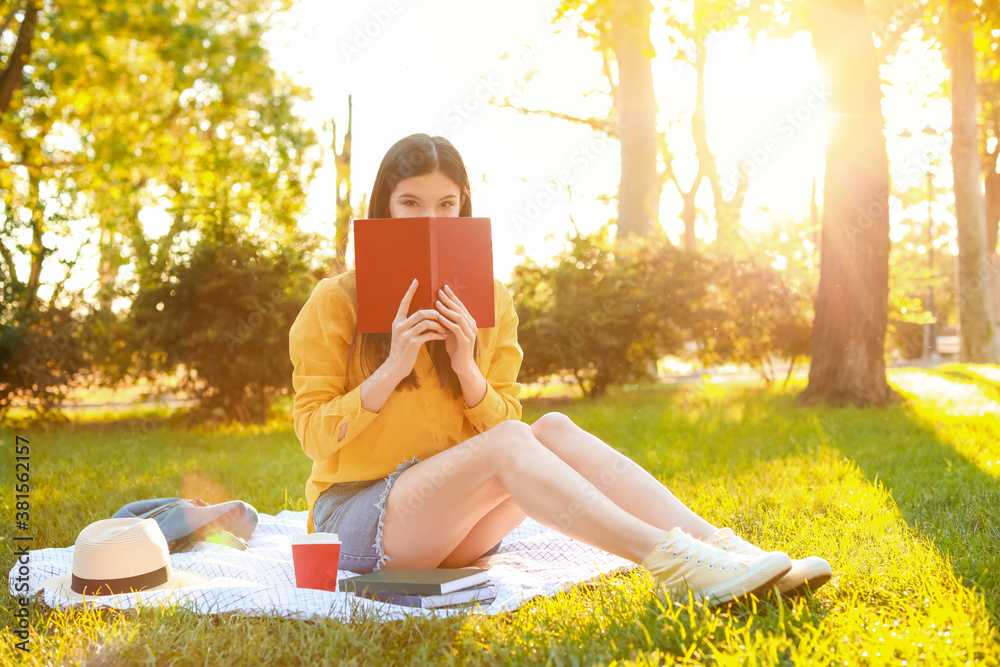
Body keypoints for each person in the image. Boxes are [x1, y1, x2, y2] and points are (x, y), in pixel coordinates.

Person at [288, 133, 832, 607]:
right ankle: (675, 565)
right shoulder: (337, 301)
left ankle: (725, 548)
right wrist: (390, 370)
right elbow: (313, 437)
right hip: (357, 522)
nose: (430, 219)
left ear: (463, 208)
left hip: (452, 529)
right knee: (510, 441)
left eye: (446, 204)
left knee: (550, 429)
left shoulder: (490, 301)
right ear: (383, 209)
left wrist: (466, 367)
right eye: (410, 203)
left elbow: (506, 421)